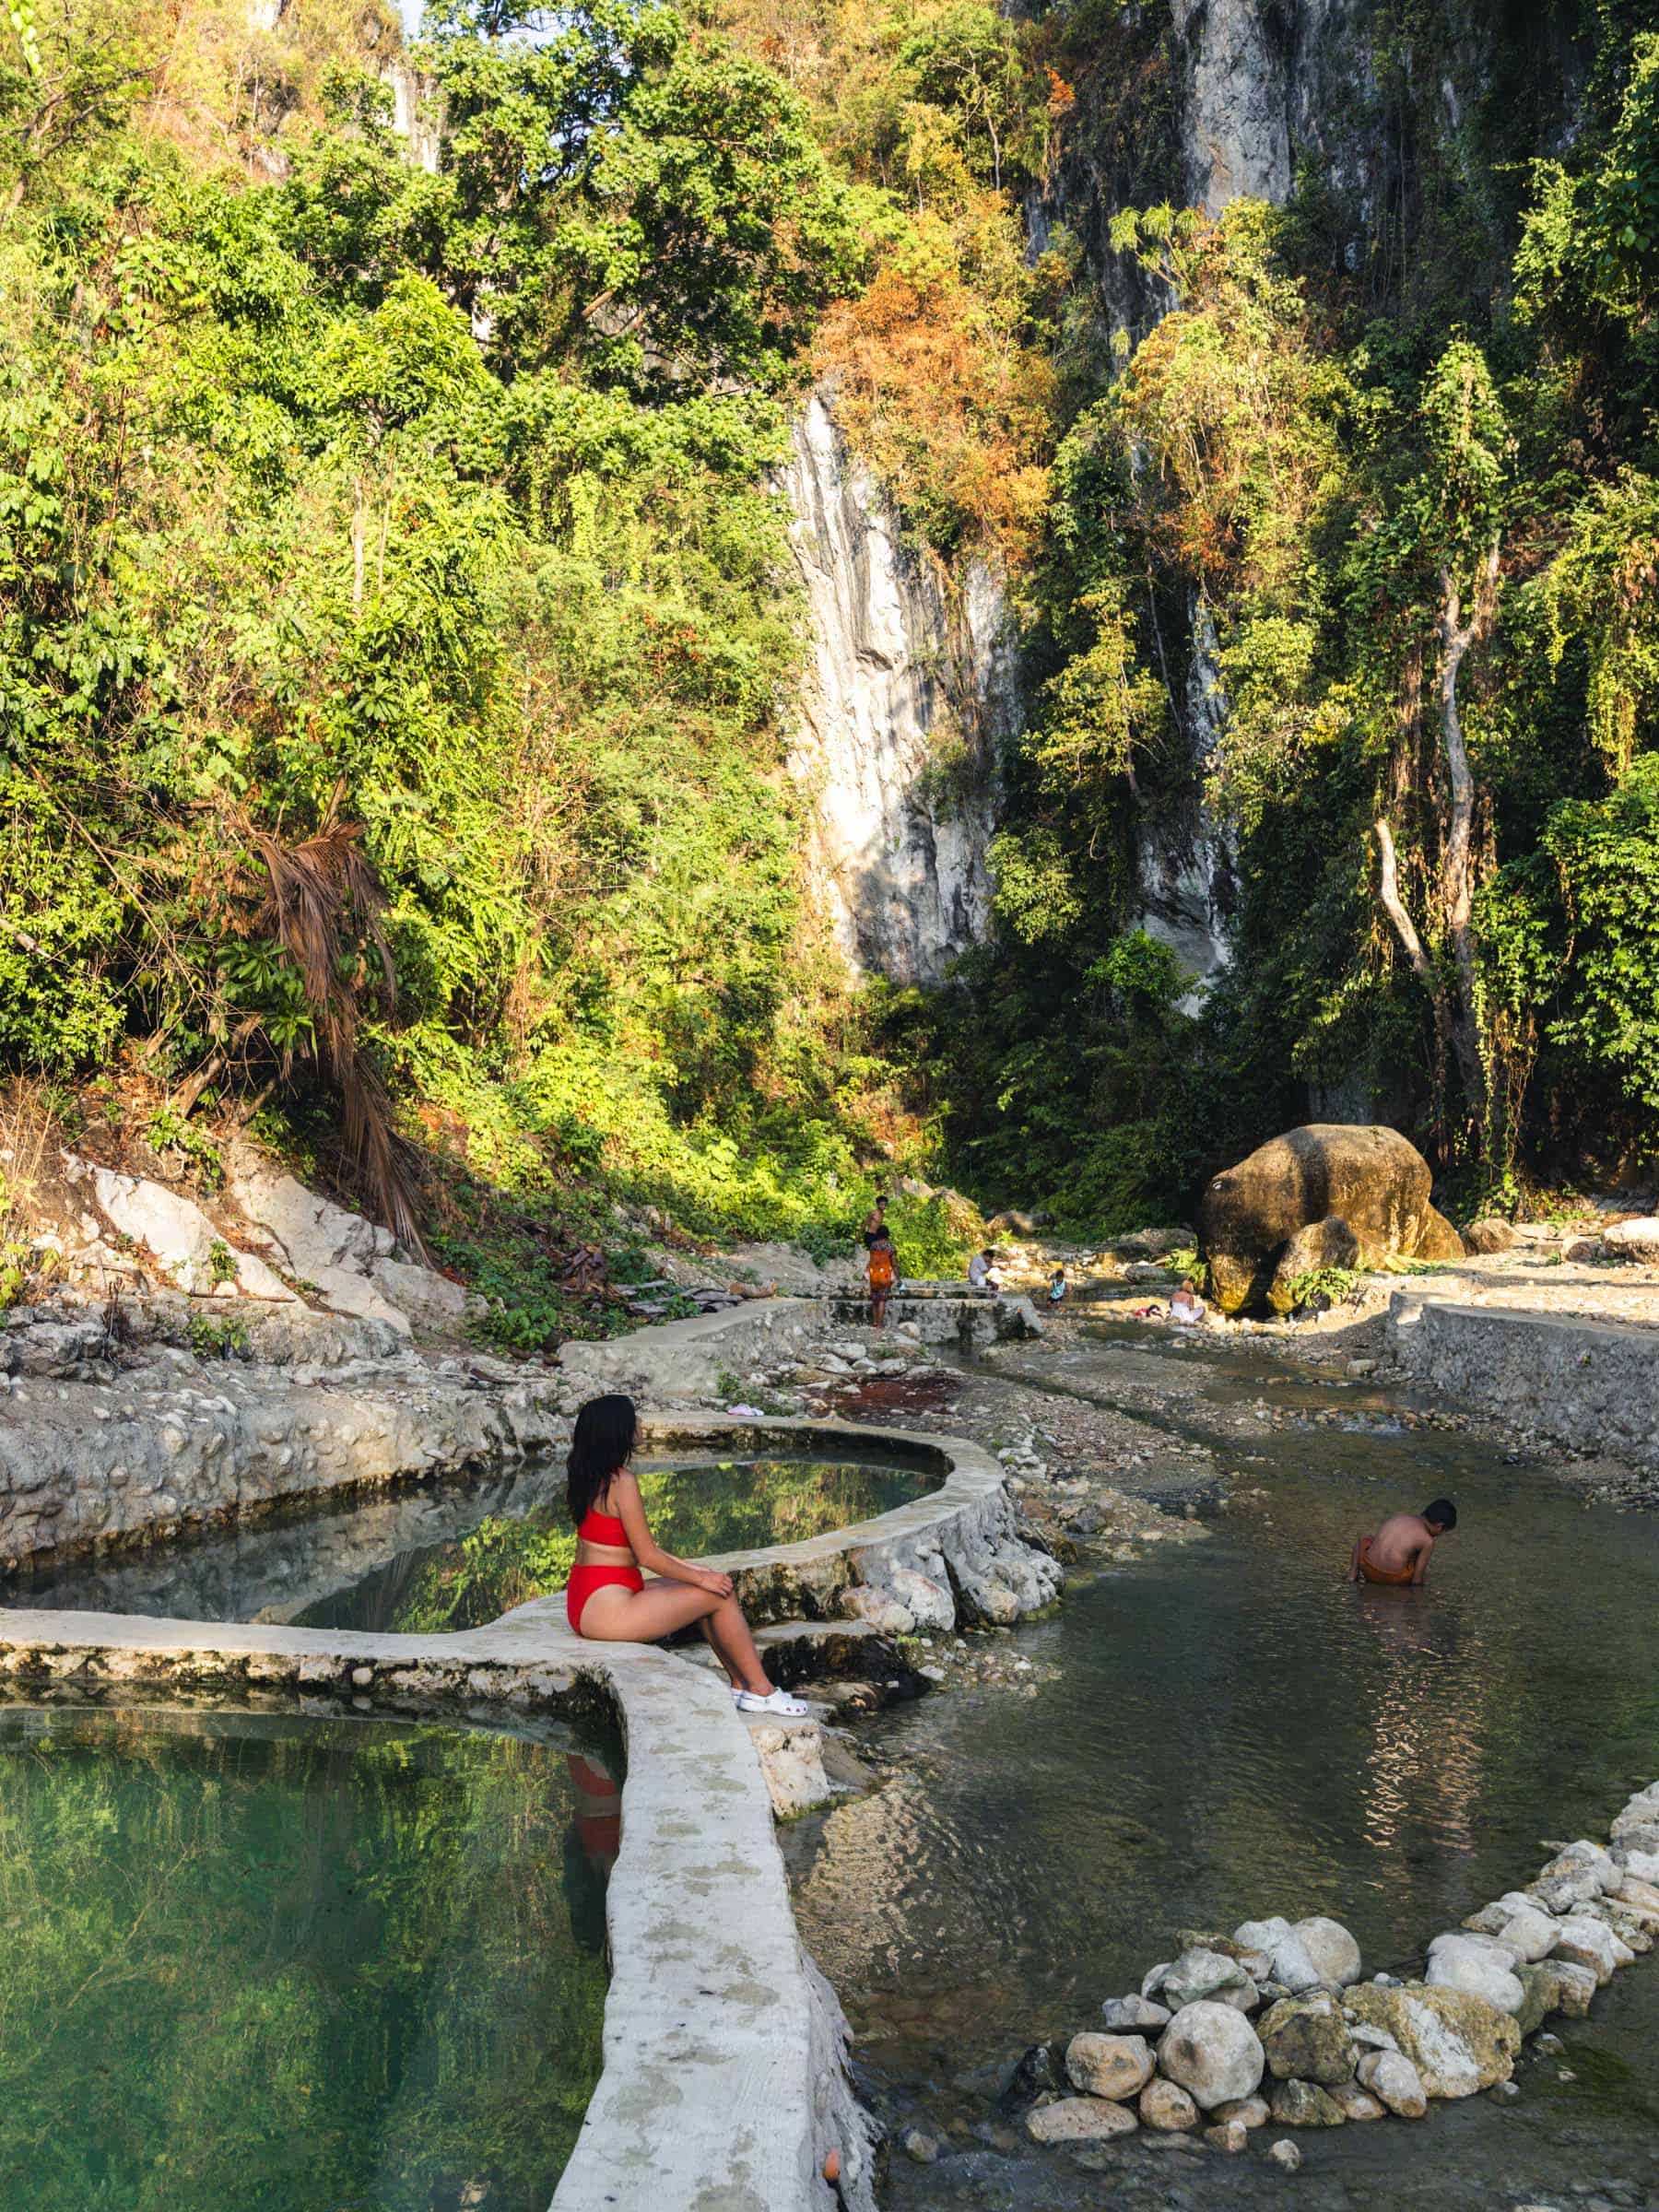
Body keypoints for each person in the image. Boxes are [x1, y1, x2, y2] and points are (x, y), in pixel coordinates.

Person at [564, 1394, 807, 1713]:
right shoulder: (621, 1482)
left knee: (707, 1586)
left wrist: (698, 1573)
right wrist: (702, 1580)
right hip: (607, 1610)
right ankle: (762, 1690)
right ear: (618, 1430)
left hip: (587, 1598)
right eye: (634, 1418)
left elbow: (637, 1548)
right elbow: (648, 1557)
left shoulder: (587, 1476)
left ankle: (740, 1685)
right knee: (718, 1595)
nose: (640, 1423)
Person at [1347, 1499, 1458, 1586]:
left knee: (1364, 1540)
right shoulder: (1428, 1540)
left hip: (1367, 1568)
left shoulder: (1399, 1516)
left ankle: (1352, 1575)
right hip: (1394, 1579)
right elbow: (1417, 1580)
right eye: (1443, 1532)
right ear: (1439, 1526)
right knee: (1416, 1560)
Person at [867, 1228, 897, 1327]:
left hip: (874, 1275)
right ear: (887, 1235)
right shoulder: (890, 1247)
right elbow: (894, 1264)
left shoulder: (873, 1245)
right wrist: (898, 1277)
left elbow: (871, 1260)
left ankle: (875, 1322)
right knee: (882, 1300)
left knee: (875, 1299)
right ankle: (879, 1324)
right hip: (885, 1276)